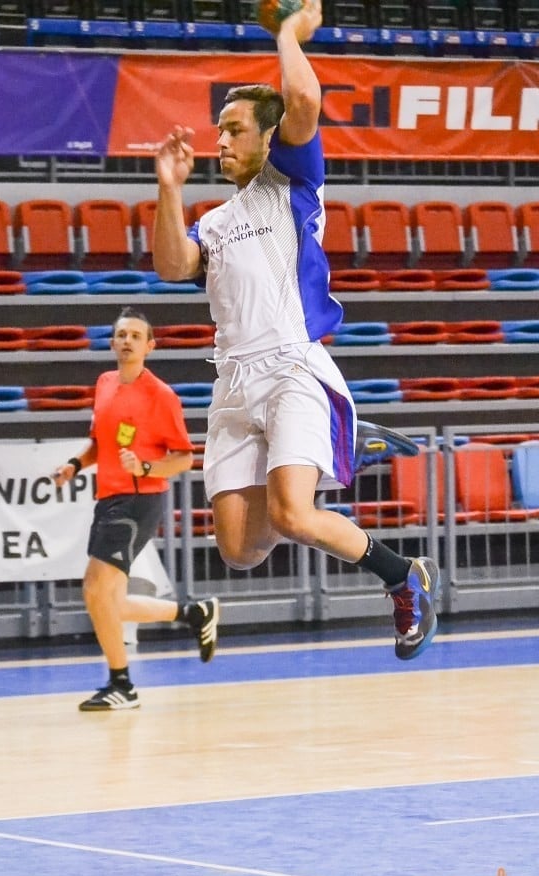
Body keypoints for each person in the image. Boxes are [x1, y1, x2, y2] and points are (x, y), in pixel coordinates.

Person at [152, 0, 439, 660]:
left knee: (291, 514)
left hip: (290, 368)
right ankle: (336, 446)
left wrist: (287, 31)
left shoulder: (291, 180)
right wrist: (169, 188)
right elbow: (173, 266)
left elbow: (303, 93)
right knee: (240, 548)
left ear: (266, 137)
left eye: (231, 130)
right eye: (217, 131)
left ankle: (404, 580)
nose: (218, 141)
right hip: (232, 383)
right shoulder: (215, 223)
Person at [52, 307, 219, 711]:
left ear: (150, 345)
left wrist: (144, 466)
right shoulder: (105, 383)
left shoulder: (160, 395)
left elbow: (182, 458)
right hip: (108, 497)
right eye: (121, 334)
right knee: (106, 599)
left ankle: (122, 684)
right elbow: (99, 444)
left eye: (135, 336)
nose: (126, 341)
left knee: (95, 587)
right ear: (112, 342)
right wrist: (75, 465)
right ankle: (194, 613)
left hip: (138, 500)